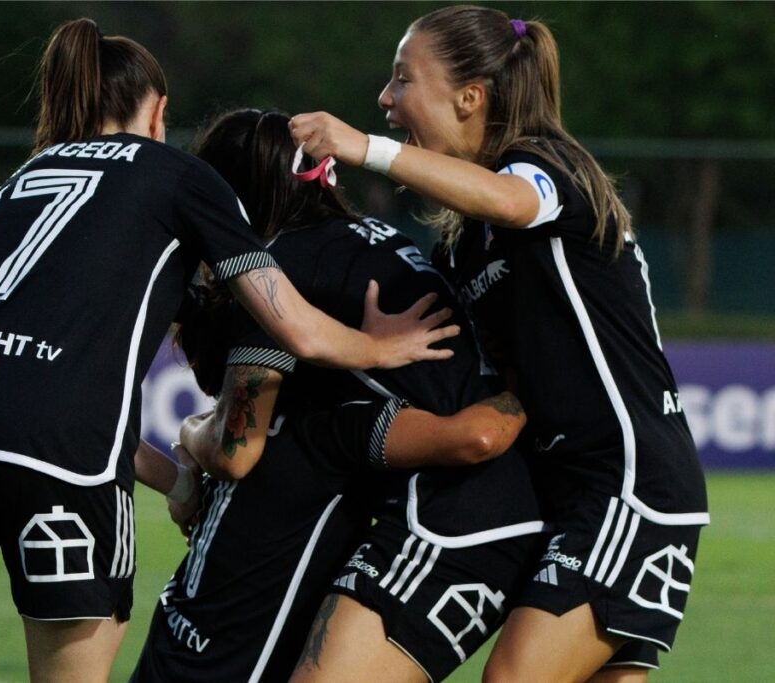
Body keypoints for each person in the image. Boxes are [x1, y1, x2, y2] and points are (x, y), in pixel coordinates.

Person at [0, 20, 455, 683]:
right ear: (158, 111)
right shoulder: (176, 174)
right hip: (59, 455)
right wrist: (379, 346)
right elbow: (298, 328)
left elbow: (16, 388)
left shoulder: (9, 191)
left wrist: (176, 478)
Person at [288, 5, 709, 681]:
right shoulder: (463, 241)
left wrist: (363, 146)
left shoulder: (545, 165)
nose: (386, 100)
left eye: (403, 80)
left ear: (469, 96)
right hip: (569, 494)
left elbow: (512, 201)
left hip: (625, 483)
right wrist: (373, 349)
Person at [132, 109, 544, 683]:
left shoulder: (278, 272)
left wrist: (187, 433)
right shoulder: (372, 239)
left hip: (457, 512)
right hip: (461, 489)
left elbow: (235, 448)